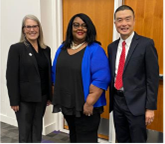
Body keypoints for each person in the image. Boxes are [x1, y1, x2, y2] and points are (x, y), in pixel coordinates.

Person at [52, 13, 110, 144]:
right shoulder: (62, 48)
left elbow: (101, 78)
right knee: (74, 136)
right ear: (70, 28)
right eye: (76, 25)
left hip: (86, 106)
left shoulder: (95, 49)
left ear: (89, 29)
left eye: (84, 26)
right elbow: (55, 72)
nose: (80, 28)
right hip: (68, 105)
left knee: (86, 139)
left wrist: (89, 103)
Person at [108, 5, 159, 144]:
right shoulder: (111, 47)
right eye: (119, 20)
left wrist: (150, 108)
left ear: (134, 21)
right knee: (122, 138)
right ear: (115, 23)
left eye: (127, 19)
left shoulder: (146, 44)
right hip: (117, 101)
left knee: (138, 140)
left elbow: (152, 78)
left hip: (137, 104)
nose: (124, 24)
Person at [6, 15, 52, 144]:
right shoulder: (17, 49)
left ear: (39, 28)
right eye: (28, 27)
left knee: (37, 129)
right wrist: (14, 100)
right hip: (23, 100)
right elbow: (11, 76)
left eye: (35, 26)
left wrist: (49, 95)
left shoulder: (46, 49)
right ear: (23, 30)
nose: (32, 30)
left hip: (41, 97)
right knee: (25, 132)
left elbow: (47, 73)